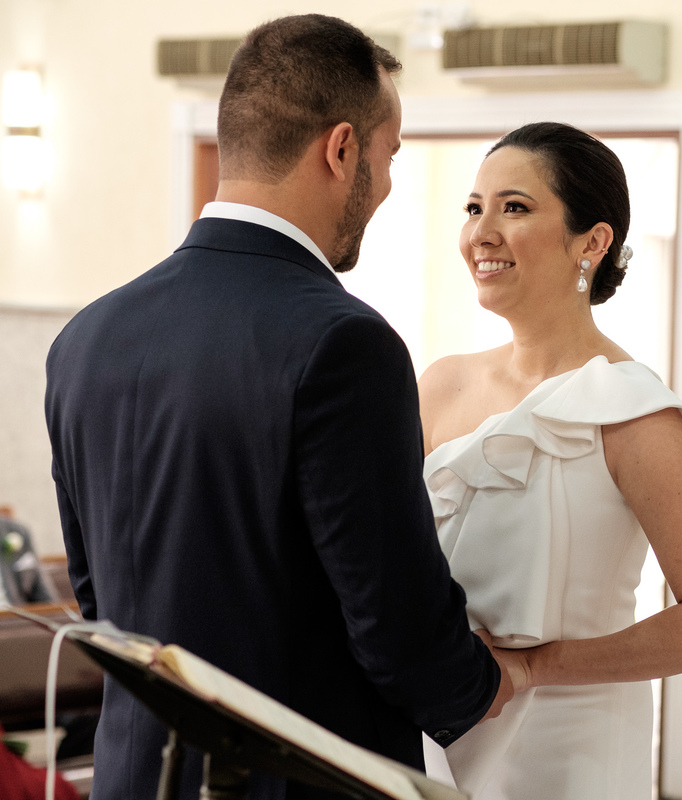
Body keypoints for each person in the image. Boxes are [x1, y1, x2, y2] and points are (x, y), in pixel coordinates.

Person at [44, 15, 511, 800]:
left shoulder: (85, 338)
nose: (387, 185)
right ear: (342, 149)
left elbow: (103, 603)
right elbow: (395, 630)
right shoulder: (344, 343)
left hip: (131, 776)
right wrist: (488, 682)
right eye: (390, 155)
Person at [416, 121, 682, 799]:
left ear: (592, 242)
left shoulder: (631, 410)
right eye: (474, 208)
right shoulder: (441, 384)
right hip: (436, 731)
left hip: (567, 752)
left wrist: (533, 667)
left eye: (514, 207)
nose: (481, 232)